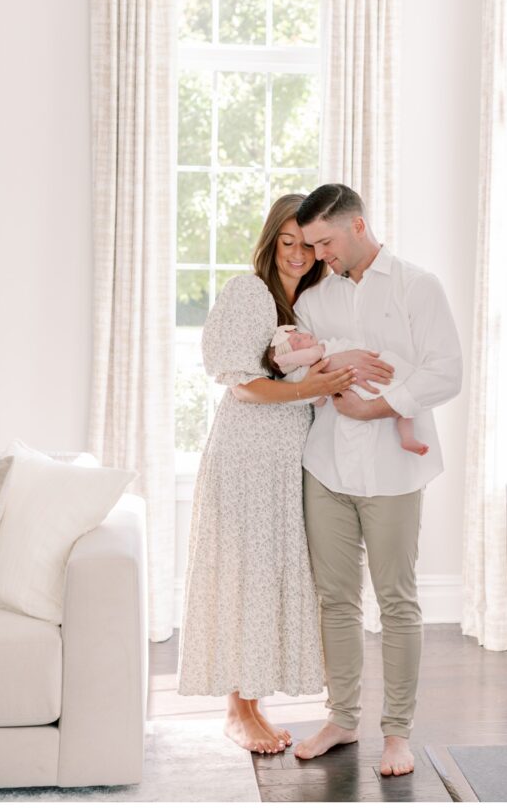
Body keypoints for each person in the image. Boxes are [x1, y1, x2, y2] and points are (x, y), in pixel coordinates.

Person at [176, 194, 368, 755]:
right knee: (245, 577)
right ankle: (238, 711)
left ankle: (253, 704)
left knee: (268, 579)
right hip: (246, 457)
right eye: (286, 244)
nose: (297, 256)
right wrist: (314, 387)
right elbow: (241, 384)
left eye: (307, 246)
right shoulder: (249, 292)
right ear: (270, 243)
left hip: (285, 460)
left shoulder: (304, 302)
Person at [290, 183, 463, 777]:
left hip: (394, 468)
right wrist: (340, 362)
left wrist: (380, 404)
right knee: (335, 598)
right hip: (327, 465)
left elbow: (446, 372)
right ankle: (342, 718)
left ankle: (397, 733)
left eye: (326, 242)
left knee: (397, 600)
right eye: (310, 245)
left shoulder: (418, 286)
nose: (319, 255)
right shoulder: (317, 295)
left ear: (357, 226)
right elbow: (306, 364)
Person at [266, 325, 429, 455]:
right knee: (401, 409)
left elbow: (311, 364)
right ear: (295, 361)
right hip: (357, 387)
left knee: (400, 404)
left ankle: (408, 437)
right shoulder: (310, 366)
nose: (304, 335)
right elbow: (320, 399)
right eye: (298, 340)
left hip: (367, 374)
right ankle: (407, 438)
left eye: (299, 333)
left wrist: (286, 359)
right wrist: (284, 361)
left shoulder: (321, 349)